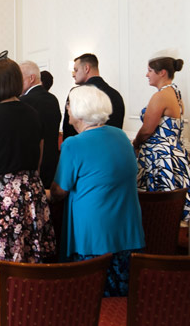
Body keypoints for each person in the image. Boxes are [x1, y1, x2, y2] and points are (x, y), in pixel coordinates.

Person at [0, 58, 55, 307]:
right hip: (30, 194)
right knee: (28, 270)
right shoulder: (34, 115)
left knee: (0, 277)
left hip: (0, 200)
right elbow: (37, 160)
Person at [50, 85, 145, 297]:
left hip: (93, 236)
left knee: (90, 300)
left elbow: (59, 192)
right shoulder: (121, 137)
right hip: (127, 231)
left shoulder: (73, 144)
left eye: (69, 104)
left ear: (78, 111)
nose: (67, 109)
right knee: (122, 299)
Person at [133, 53, 190, 221]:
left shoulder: (161, 96)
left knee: (158, 205)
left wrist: (135, 143)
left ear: (162, 73)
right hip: (175, 152)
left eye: (150, 71)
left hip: (160, 157)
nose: (147, 75)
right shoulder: (175, 93)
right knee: (172, 202)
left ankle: (158, 239)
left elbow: (147, 129)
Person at [19, 61, 62, 188]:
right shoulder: (53, 99)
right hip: (52, 163)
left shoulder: (24, 101)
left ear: (31, 78)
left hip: (33, 165)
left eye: (20, 78)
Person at [62, 53, 125, 139]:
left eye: (76, 70)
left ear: (86, 68)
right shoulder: (116, 95)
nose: (73, 74)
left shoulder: (76, 95)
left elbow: (68, 130)